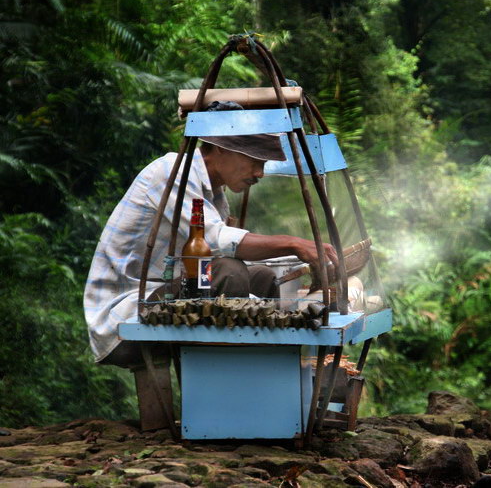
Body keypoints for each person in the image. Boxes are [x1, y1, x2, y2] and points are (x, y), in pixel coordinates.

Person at [83, 101, 338, 367]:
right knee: (228, 271)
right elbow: (216, 241)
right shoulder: (172, 172)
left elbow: (222, 247)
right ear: (220, 148)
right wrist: (293, 243)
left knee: (260, 277)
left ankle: (260, 374)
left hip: (167, 293)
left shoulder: (214, 194)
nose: (260, 173)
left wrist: (298, 262)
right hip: (125, 316)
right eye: (255, 161)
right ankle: (219, 382)